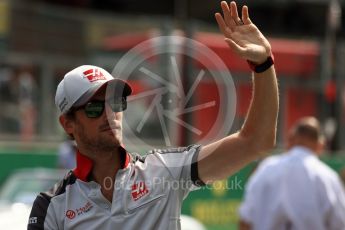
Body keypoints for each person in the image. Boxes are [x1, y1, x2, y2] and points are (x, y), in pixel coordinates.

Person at [28, 1, 278, 229]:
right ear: (68, 123)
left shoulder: (166, 171)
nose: (110, 113)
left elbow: (256, 142)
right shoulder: (52, 207)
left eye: (115, 102)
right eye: (94, 107)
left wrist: (263, 64)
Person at [239, 117, 345, 230]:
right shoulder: (329, 178)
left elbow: (246, 220)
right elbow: (340, 223)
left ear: (290, 140)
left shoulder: (266, 169)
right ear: (320, 145)